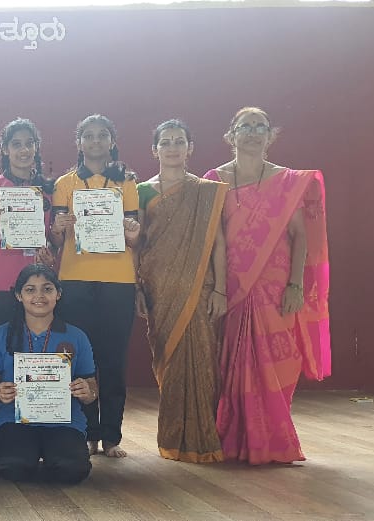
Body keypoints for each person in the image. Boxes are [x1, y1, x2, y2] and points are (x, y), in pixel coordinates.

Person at [204, 107, 330, 465]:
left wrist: (295, 285)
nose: (253, 132)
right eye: (245, 126)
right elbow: (213, 237)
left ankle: (272, 439)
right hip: (232, 286)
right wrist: (217, 288)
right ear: (231, 135)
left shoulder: (286, 181)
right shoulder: (214, 179)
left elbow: (299, 235)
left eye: (261, 126)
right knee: (231, 361)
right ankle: (234, 437)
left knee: (278, 360)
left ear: (271, 136)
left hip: (275, 286)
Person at [135, 119, 228, 463]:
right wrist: (136, 288)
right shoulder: (142, 191)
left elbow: (218, 242)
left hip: (199, 288)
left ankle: (204, 439)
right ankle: (174, 439)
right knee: (170, 363)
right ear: (154, 150)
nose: (172, 147)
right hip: (159, 289)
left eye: (179, 141)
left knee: (202, 358)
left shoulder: (206, 192)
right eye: (166, 142)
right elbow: (137, 244)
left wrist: (221, 290)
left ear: (190, 148)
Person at [49, 114, 142, 458]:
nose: (96, 141)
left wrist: (133, 232)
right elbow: (56, 240)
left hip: (119, 279)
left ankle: (112, 435)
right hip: (75, 278)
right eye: (88, 135)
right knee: (79, 359)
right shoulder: (65, 183)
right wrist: (58, 228)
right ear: (79, 143)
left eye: (103, 135)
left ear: (112, 142)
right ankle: (87, 432)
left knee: (113, 360)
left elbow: (135, 236)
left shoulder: (126, 183)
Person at [0, 264, 97, 484]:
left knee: (71, 471)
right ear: (18, 295)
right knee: (14, 468)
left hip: (64, 421)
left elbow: (91, 385)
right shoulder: (0, 335)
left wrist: (87, 391)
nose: (39, 296)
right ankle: (32, 456)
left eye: (47, 289)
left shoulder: (77, 336)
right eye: (30, 289)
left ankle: (54, 455)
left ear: (58, 294)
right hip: (14, 419)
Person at [0, 118, 56, 335]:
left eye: (29, 144)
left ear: (36, 148)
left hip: (38, 283)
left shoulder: (49, 190)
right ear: (5, 149)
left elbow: (53, 240)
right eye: (16, 144)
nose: (24, 150)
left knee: (38, 347)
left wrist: (51, 255)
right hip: (0, 282)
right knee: (3, 346)